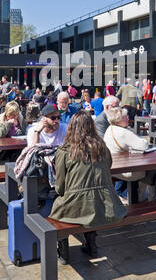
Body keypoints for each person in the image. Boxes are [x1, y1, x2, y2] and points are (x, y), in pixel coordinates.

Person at [49, 110, 127, 264]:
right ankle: (91, 243)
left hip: (78, 205)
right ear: (92, 127)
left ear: (72, 127)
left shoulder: (65, 151)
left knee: (56, 209)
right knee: (92, 204)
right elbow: (109, 167)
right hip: (107, 205)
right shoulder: (102, 147)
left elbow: (60, 186)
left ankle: (63, 251)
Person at [104, 107, 155, 202]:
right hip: (126, 171)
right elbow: (144, 145)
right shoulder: (123, 132)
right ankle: (148, 198)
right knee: (152, 167)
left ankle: (140, 197)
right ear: (118, 120)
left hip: (112, 167)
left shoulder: (109, 128)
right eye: (125, 117)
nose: (128, 118)